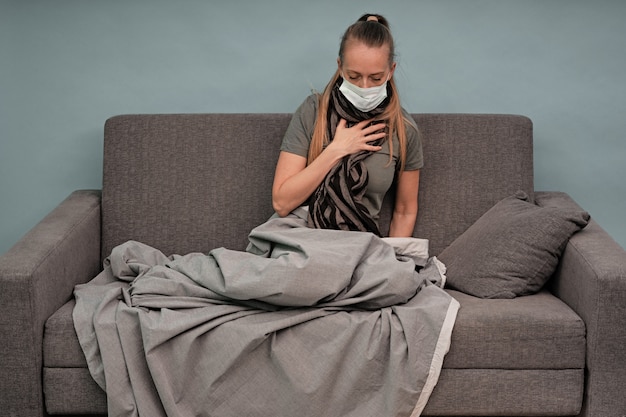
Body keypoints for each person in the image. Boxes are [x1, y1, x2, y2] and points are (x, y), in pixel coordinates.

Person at [272, 13, 423, 238]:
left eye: (375, 78)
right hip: (303, 237)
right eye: (353, 76)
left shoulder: (403, 129)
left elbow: (404, 211)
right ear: (340, 66)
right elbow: (282, 203)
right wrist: (336, 150)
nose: (364, 87)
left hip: (360, 245)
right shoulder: (313, 110)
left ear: (391, 71)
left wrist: (392, 261)